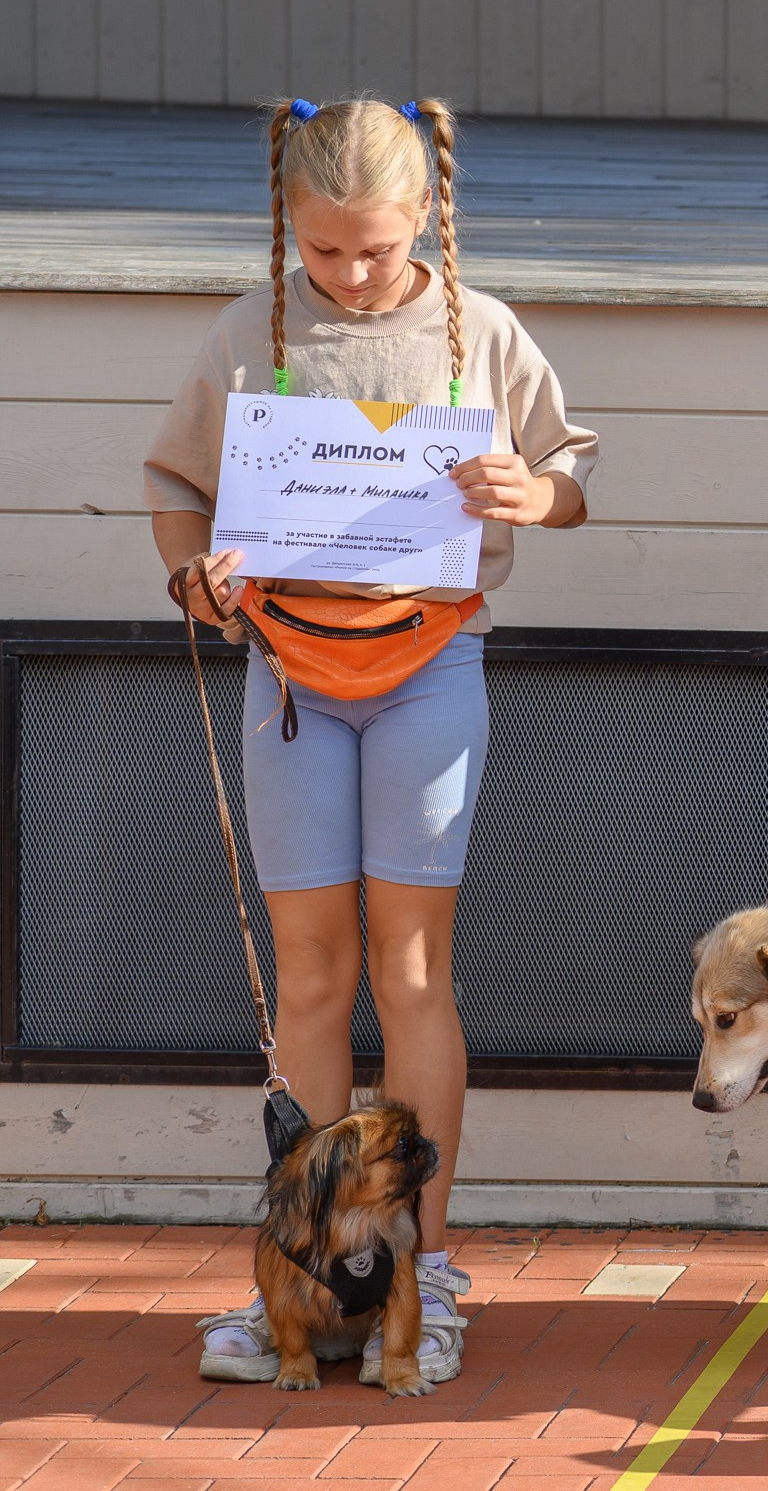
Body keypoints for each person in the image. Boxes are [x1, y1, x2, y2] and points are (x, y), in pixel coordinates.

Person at [148, 96, 598, 1387]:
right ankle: (305, 1264)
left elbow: (567, 473)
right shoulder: (253, 325)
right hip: (290, 670)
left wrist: (538, 492)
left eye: (376, 251)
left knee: (410, 970)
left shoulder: (481, 325)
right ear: (287, 221)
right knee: (309, 975)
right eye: (324, 249)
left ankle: (422, 1263)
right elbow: (178, 484)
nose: (348, 275)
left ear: (428, 222)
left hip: (429, 666)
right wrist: (199, 579)